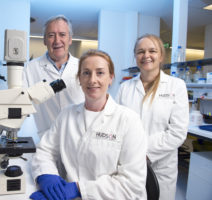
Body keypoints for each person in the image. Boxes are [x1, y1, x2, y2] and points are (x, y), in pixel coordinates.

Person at [30, 49, 147, 200]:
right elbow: (45, 150)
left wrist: (78, 188)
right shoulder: (66, 115)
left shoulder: (129, 121)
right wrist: (46, 174)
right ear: (79, 78)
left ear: (111, 78)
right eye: (86, 73)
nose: (92, 80)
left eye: (100, 73)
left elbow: (132, 184)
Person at [116, 34, 189, 200]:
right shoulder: (125, 88)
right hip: (128, 166)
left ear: (161, 55)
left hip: (161, 167)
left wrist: (143, 153)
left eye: (152, 51)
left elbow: (177, 132)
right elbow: (118, 125)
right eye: (140, 51)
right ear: (135, 56)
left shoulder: (176, 86)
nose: (146, 55)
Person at [23, 15, 84, 137]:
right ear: (44, 40)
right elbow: (20, 104)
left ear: (70, 39)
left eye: (62, 34)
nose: (57, 41)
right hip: (46, 138)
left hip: (78, 137)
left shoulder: (83, 67)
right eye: (51, 35)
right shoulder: (29, 68)